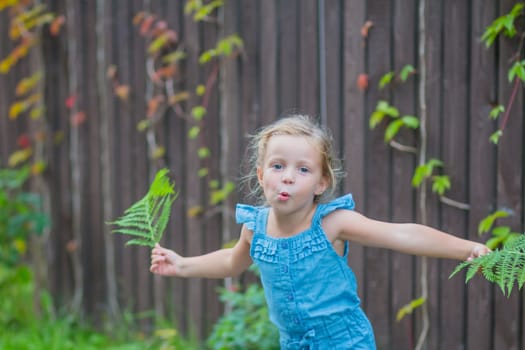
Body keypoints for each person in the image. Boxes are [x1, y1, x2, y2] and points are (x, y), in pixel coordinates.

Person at [150, 114, 490, 349]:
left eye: (303, 169)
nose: (287, 177)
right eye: (278, 166)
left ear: (321, 182)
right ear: (260, 175)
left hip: (345, 342)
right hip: (293, 344)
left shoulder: (332, 223)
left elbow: (401, 234)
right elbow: (231, 263)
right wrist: (182, 265)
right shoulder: (254, 228)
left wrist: (466, 249)